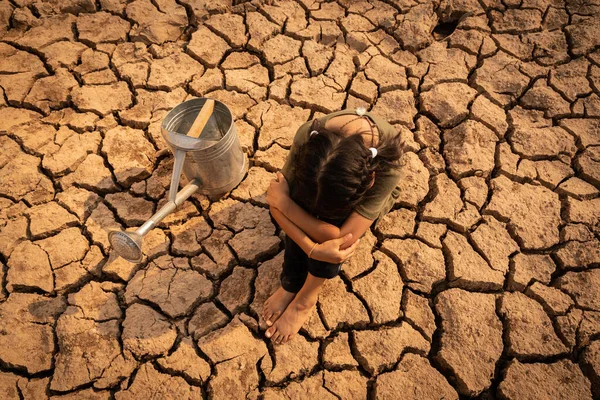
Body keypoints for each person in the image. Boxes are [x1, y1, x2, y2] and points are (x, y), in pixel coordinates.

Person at [263, 107, 403, 344]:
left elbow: (340, 241)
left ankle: (305, 299)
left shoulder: (385, 169)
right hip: (320, 188)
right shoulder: (309, 137)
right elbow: (274, 200)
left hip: (348, 204)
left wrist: (288, 208)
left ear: (369, 181)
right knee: (304, 211)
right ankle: (291, 282)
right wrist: (310, 243)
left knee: (327, 232)